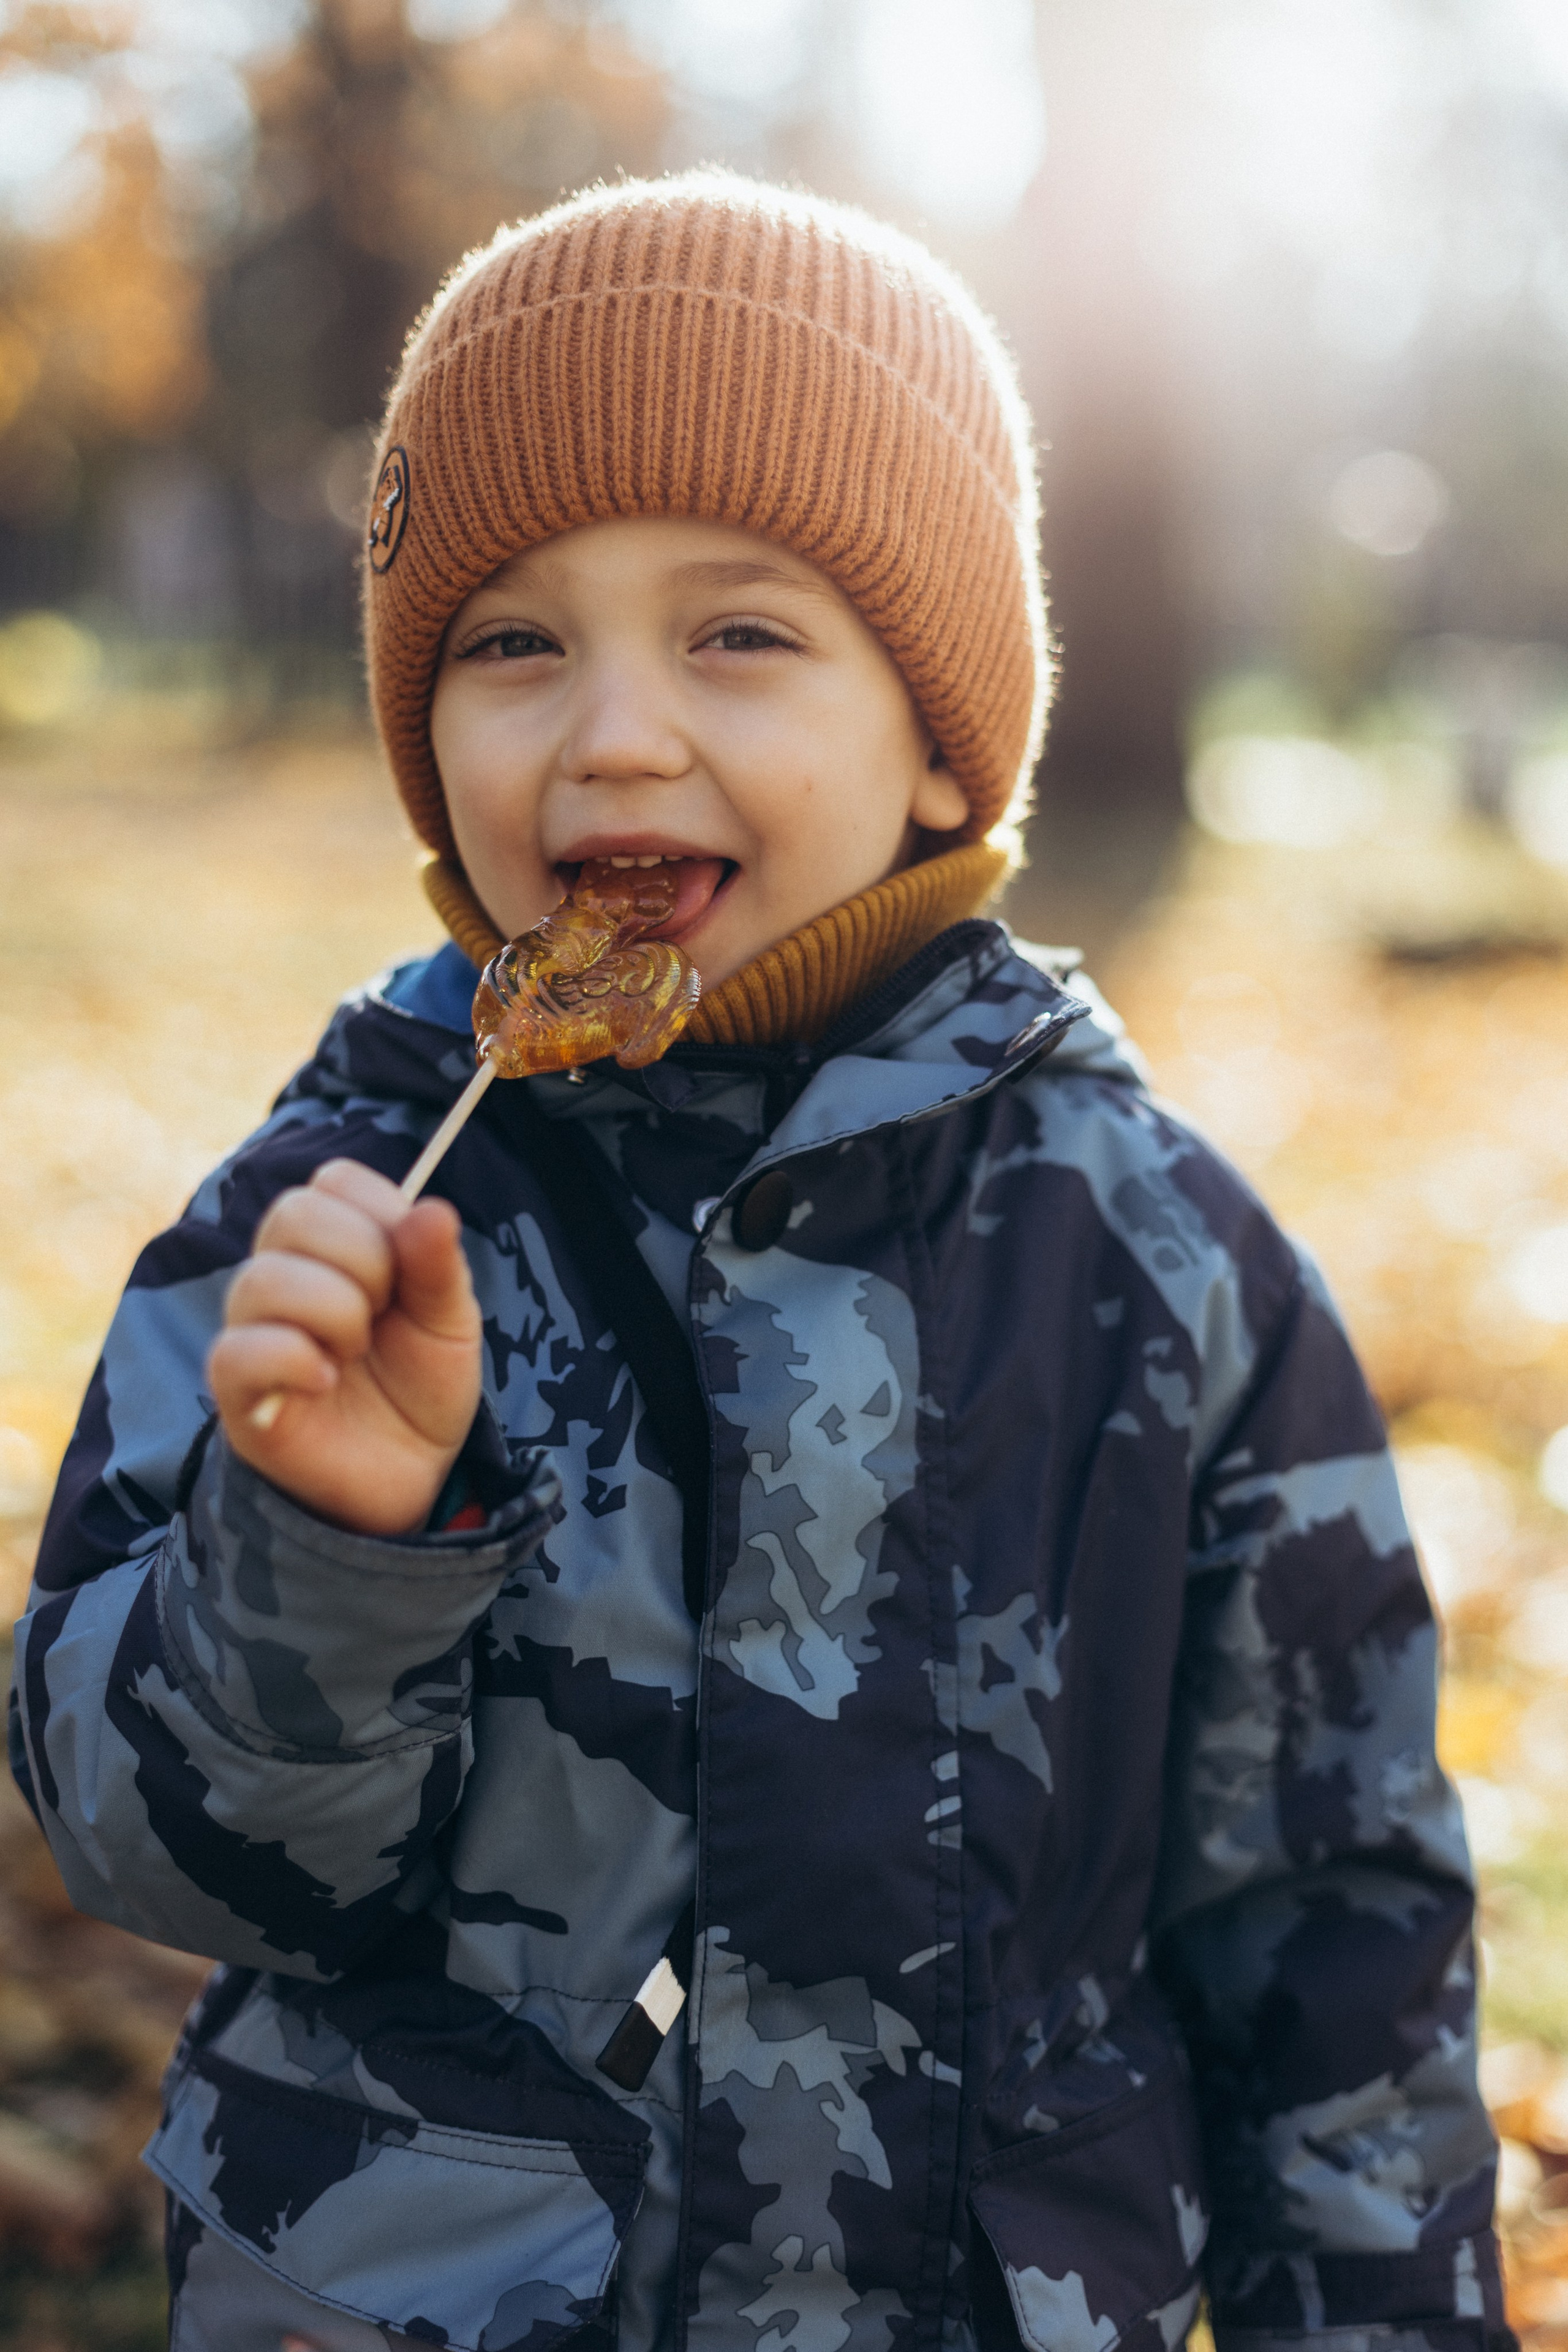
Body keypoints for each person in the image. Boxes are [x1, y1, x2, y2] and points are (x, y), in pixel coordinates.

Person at [10, 174, 1507, 2352]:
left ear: (934, 739)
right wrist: (323, 1541)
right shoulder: (333, 1219)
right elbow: (168, 1863)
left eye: (741, 634)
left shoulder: (1155, 1256)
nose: (614, 730)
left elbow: (1334, 1925)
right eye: (513, 641)